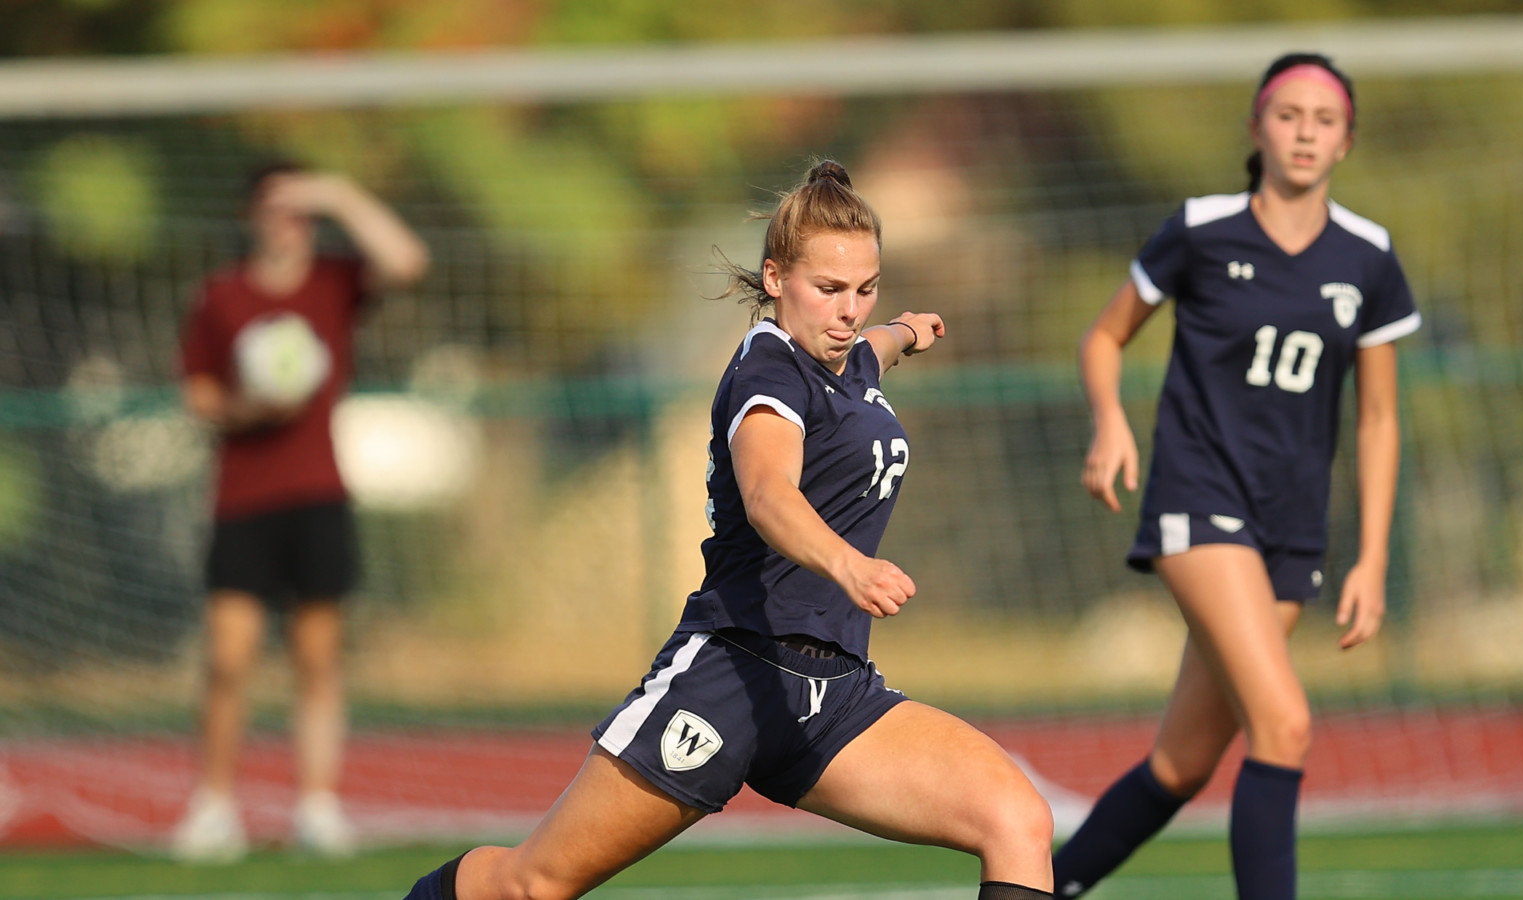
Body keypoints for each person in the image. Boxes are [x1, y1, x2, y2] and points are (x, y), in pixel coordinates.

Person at [402, 160, 1056, 900]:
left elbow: (871, 351)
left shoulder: (848, 361)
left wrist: (905, 329)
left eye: (865, 289)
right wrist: (849, 567)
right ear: (776, 277)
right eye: (829, 289)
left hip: (834, 696)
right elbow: (768, 495)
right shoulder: (769, 369)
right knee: (533, 883)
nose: (848, 309)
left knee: (1016, 818)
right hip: (732, 679)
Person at [1054, 53, 1420, 900]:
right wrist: (1110, 422)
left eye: (1324, 121)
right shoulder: (1204, 228)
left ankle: (1038, 888)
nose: (1305, 132)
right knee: (1285, 724)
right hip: (1198, 500)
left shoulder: (1369, 257)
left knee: (1181, 766)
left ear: (1346, 142)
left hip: (1290, 526)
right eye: (1288, 115)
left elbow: (1378, 418)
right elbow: (1104, 337)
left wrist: (1369, 558)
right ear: (1257, 129)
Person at [173, 164, 429, 862]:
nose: (292, 223)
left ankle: (317, 806)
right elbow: (197, 396)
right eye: (278, 209)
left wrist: (339, 194)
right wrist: (244, 409)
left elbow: (407, 260)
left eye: (302, 210)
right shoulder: (221, 295)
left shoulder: (334, 281)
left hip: (318, 495)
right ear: (252, 217)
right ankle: (214, 807)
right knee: (228, 659)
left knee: (316, 660)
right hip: (242, 500)